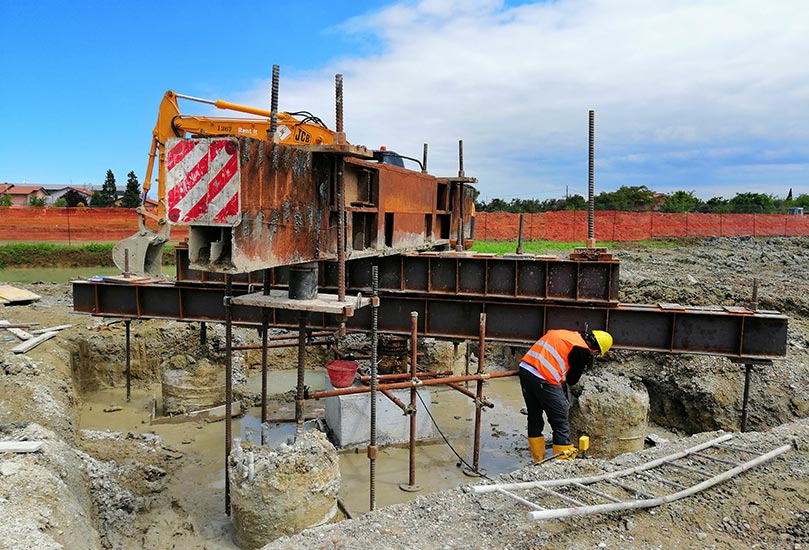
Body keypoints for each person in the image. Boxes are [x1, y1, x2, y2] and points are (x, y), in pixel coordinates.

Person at [519, 328, 612, 462]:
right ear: (596, 350)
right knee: (560, 422)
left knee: (534, 416)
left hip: (525, 369)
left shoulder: (569, 335)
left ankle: (538, 460)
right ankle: (562, 465)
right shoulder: (582, 350)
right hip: (545, 378)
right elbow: (572, 379)